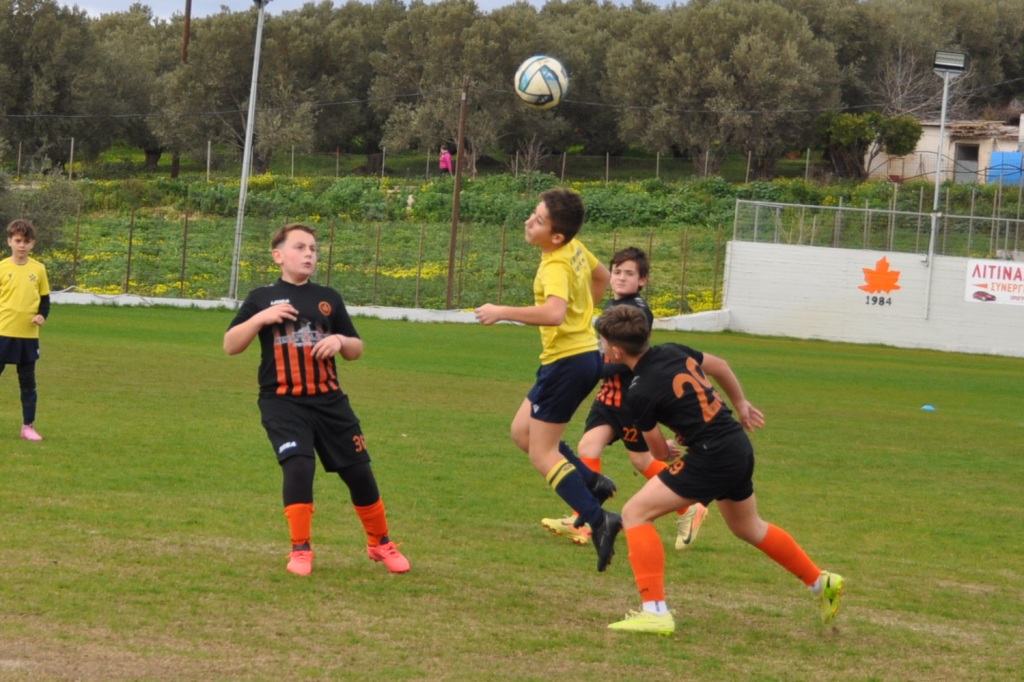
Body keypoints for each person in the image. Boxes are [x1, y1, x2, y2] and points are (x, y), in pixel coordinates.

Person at [594, 305, 844, 634]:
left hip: (711, 454)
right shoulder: (673, 350)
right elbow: (721, 366)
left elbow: (658, 453)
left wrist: (667, 447)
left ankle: (654, 612)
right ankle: (820, 582)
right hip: (736, 444)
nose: (600, 347)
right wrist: (740, 403)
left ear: (616, 351)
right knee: (748, 527)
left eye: (602, 341)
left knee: (635, 513)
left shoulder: (638, 391)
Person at [224, 223, 410, 577]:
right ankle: (300, 549)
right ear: (278, 256)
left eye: (313, 248)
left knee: (359, 472)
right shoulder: (260, 298)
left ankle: (380, 542)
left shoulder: (328, 297)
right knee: (298, 465)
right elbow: (230, 345)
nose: (309, 253)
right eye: (300, 247)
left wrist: (340, 341)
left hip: (330, 402)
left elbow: (356, 349)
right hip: (283, 402)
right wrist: (261, 318)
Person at [474, 188, 621, 572]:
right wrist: (584, 316)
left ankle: (599, 519)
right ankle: (592, 483)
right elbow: (602, 276)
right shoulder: (574, 248)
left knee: (542, 452)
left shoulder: (555, 263)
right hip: (577, 358)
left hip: (568, 362)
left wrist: (501, 311)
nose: (529, 221)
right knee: (522, 432)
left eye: (538, 220)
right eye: (533, 214)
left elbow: (554, 313)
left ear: (556, 235)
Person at [540, 247, 708, 550]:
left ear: (643, 280)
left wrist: (593, 368)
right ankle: (583, 521)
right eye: (616, 271)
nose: (620, 277)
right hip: (609, 396)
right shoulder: (615, 304)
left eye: (629, 273)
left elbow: (629, 359)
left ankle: (689, 505)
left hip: (628, 400)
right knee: (588, 447)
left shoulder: (636, 311)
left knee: (641, 459)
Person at [0, 219, 50, 442]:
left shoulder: (38, 269)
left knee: (28, 383)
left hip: (28, 336)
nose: (22, 245)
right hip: (2, 333)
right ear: (9, 241)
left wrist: (41, 316)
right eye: (18, 240)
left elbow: (45, 301)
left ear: (32, 244)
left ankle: (27, 427)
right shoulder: (2, 267)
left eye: (26, 241)